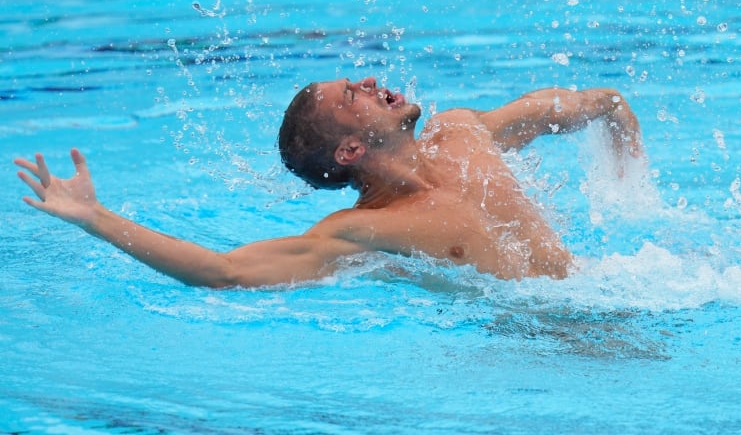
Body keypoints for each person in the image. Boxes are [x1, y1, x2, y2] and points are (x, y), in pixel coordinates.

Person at [15, 77, 643, 288]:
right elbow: (223, 272)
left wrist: (619, 135)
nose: (370, 82)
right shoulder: (366, 229)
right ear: (350, 148)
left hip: (612, 288)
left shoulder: (461, 133)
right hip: (544, 351)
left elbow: (564, 108)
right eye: (353, 94)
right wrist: (96, 218)